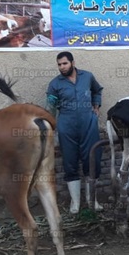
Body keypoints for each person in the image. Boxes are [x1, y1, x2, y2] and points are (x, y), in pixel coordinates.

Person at [46, 52, 104, 214]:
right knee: (70, 162)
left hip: (88, 124)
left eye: (64, 63)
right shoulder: (55, 84)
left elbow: (97, 90)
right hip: (67, 125)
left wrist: (96, 106)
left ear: (72, 62)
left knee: (92, 160)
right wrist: (51, 126)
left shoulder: (87, 77)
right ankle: (75, 203)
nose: (62, 67)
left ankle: (93, 200)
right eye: (59, 64)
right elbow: (50, 107)